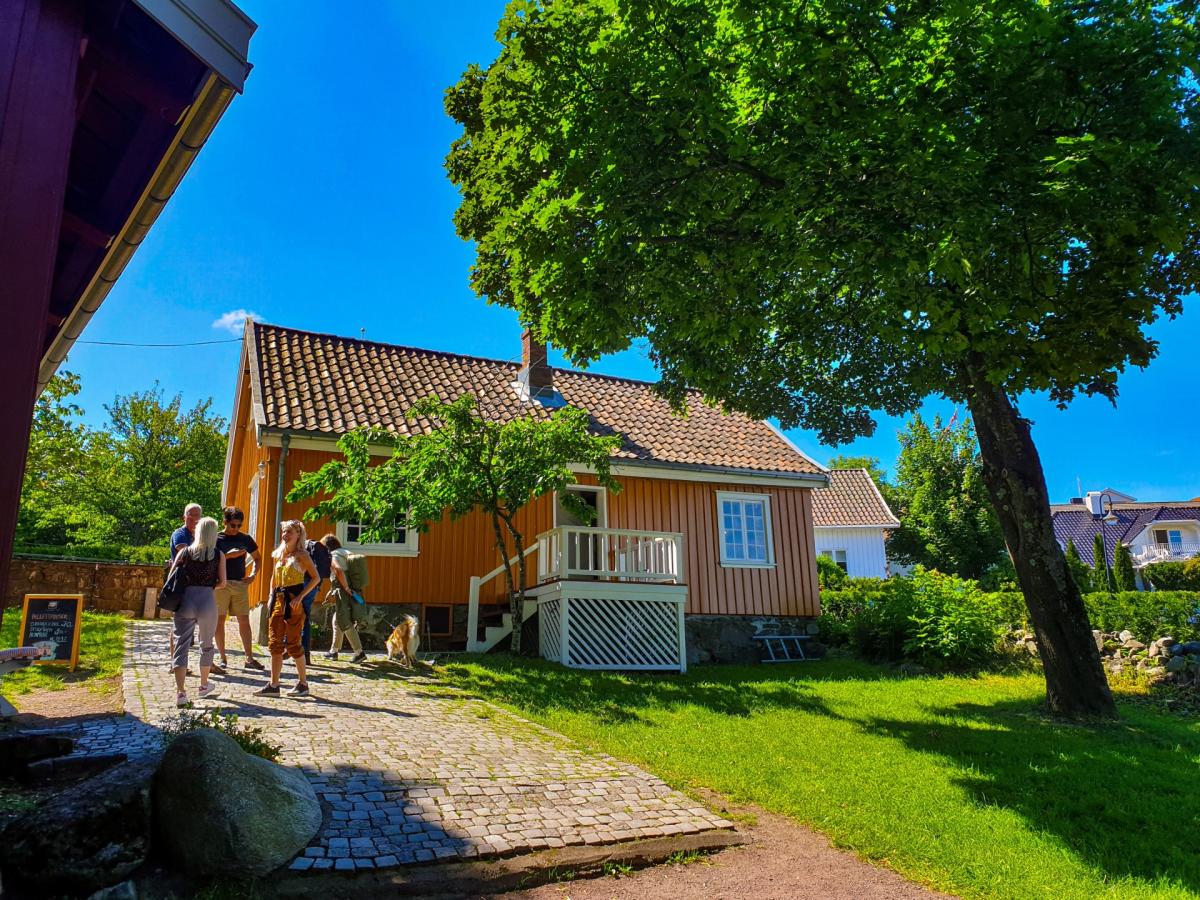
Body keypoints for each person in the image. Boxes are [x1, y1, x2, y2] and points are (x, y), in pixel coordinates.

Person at [255, 520, 319, 697]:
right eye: (284, 531)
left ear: (298, 534)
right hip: (278, 600)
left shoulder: (302, 555)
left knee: (293, 643)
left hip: (293, 602)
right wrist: (270, 597)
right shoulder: (279, 554)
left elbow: (316, 578)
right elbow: (273, 578)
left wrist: (300, 597)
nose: (285, 535)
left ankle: (303, 684)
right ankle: (274, 685)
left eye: (289, 531)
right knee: (274, 643)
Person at [169, 516, 225, 707]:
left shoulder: (185, 552)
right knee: (206, 644)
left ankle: (181, 692)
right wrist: (209, 585)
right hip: (207, 601)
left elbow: (172, 576)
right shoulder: (218, 555)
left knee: (181, 645)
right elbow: (223, 583)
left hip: (186, 601)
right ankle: (203, 685)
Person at [214, 506, 264, 671]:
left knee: (244, 621)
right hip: (221, 584)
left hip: (240, 584)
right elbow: (209, 560)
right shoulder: (216, 538)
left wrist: (253, 575)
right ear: (225, 522)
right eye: (233, 525)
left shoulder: (245, 539)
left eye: (239, 526)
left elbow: (257, 558)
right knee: (219, 621)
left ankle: (249, 658)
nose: (236, 529)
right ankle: (222, 658)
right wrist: (229, 556)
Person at [320, 534, 368, 663]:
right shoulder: (346, 552)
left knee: (345, 621)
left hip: (344, 592)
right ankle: (334, 651)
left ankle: (359, 652)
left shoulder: (334, 555)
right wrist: (331, 592)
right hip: (352, 591)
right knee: (337, 621)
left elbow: (339, 571)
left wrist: (346, 588)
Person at [166, 503, 202, 672]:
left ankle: (203, 661)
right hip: (180, 584)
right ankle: (176, 663)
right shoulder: (180, 534)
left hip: (195, 584)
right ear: (184, 517)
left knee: (197, 624)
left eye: (197, 516)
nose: (194, 519)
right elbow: (186, 553)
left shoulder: (199, 535)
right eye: (191, 515)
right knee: (178, 624)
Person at [299, 535, 331, 666]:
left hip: (306, 583)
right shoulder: (321, 551)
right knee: (305, 618)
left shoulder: (305, 546)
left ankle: (290, 648)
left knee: (295, 616)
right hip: (315, 586)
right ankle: (305, 654)